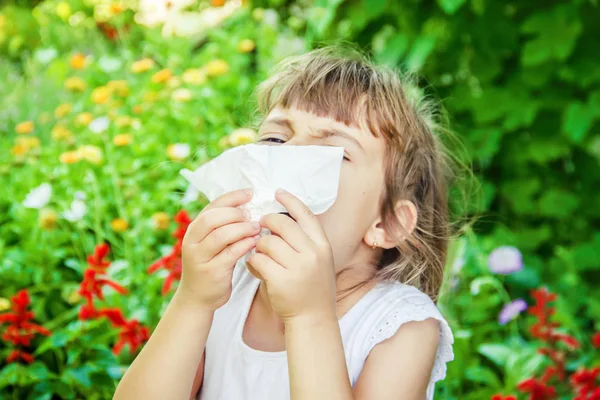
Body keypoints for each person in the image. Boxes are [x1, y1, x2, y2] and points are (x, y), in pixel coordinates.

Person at [114, 45, 456, 400]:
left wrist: (309, 316)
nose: (289, 155)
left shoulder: (402, 327)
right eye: (275, 139)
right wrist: (193, 300)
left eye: (330, 153)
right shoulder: (228, 292)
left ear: (388, 224)